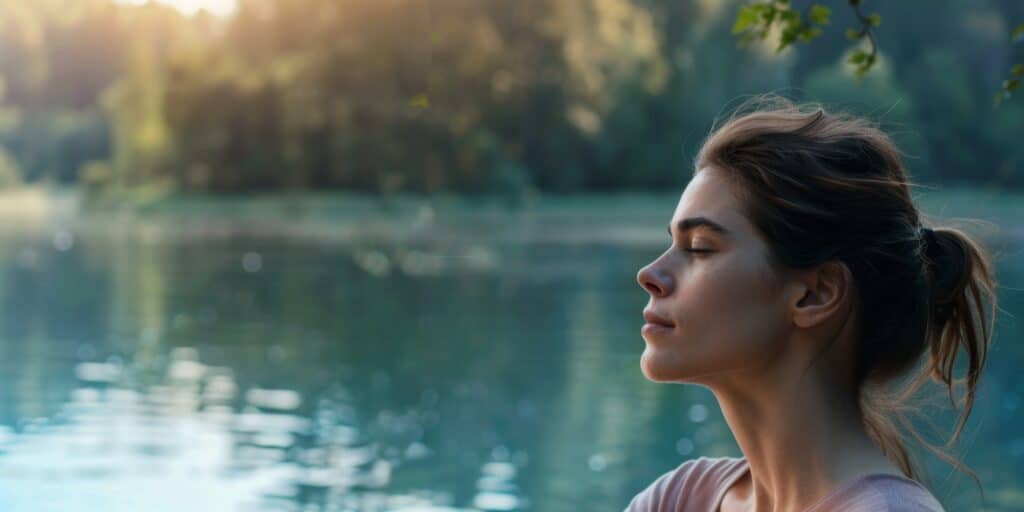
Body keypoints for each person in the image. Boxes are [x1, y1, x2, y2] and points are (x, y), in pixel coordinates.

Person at [628, 95, 998, 511]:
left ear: (815, 294)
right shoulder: (678, 499)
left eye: (699, 247)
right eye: (673, 243)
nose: (650, 275)